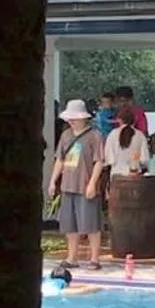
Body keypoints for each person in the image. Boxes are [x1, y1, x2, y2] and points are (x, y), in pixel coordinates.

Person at [51, 99, 107, 269]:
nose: (72, 121)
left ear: (84, 118)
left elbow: (99, 161)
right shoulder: (66, 135)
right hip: (68, 185)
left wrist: (92, 183)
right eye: (70, 118)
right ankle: (71, 257)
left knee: (91, 223)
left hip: (85, 185)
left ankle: (95, 258)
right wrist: (53, 181)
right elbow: (60, 159)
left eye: (75, 117)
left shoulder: (94, 136)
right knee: (70, 224)